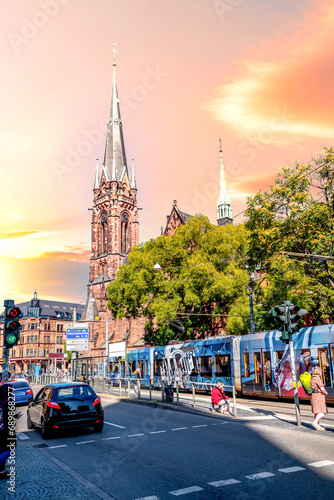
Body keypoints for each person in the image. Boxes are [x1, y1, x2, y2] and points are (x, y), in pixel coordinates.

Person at [0, 383, 22, 479]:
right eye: (12, 390)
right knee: (10, 450)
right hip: (6, 430)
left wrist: (15, 416)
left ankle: (2, 472)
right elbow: (8, 418)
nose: (13, 391)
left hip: (1, 429)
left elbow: (4, 416)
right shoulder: (9, 401)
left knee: (2, 450)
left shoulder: (1, 401)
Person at [310, 366, 328, 431]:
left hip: (314, 395)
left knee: (317, 411)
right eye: (321, 372)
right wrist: (326, 392)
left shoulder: (312, 378)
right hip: (318, 395)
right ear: (318, 372)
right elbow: (322, 389)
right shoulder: (317, 379)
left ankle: (317, 426)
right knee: (323, 411)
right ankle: (315, 422)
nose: (321, 373)